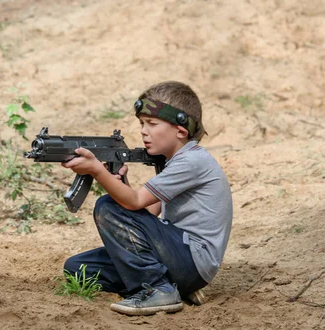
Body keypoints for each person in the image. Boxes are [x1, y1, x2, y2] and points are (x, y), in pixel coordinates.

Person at [62, 81, 233, 316]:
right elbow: (148, 213)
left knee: (106, 206)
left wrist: (97, 171)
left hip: (192, 261)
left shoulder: (191, 161)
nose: (143, 130)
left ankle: (158, 289)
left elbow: (133, 203)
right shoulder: (176, 161)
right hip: (179, 258)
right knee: (78, 268)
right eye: (142, 123)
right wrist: (120, 183)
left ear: (181, 131)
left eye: (152, 124)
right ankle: (170, 286)